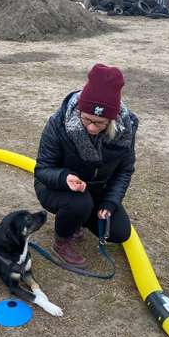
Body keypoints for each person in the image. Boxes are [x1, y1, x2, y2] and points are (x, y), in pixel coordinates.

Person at [34, 62, 139, 267]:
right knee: (78, 203)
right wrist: (64, 178)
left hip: (97, 189)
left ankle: (78, 219)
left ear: (113, 119)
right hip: (57, 186)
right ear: (79, 110)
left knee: (118, 232)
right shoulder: (59, 123)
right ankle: (62, 240)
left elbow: (124, 170)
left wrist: (110, 202)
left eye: (100, 123)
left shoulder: (126, 130)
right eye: (87, 119)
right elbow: (42, 169)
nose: (91, 127)